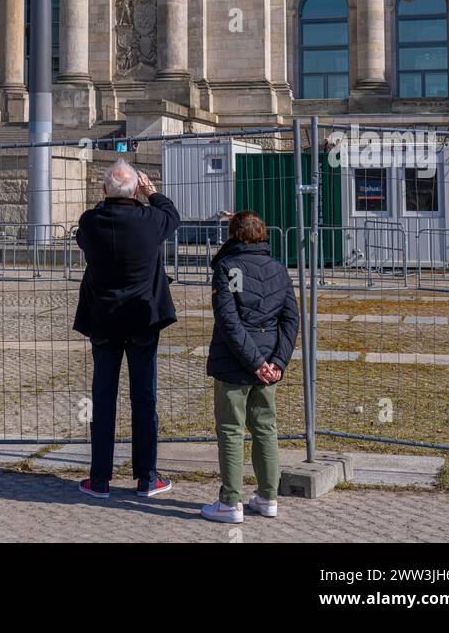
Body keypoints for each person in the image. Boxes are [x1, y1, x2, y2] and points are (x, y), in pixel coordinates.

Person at [73, 160, 180, 500]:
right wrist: (151, 192)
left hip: (104, 322)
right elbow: (172, 215)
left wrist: (112, 194)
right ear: (136, 190)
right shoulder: (151, 221)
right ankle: (146, 477)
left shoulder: (90, 223)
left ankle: (100, 479)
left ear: (104, 190)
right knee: (144, 398)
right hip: (142, 321)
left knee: (103, 400)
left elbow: (85, 235)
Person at [200, 209, 299, 524]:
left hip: (236, 364)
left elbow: (229, 321)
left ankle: (230, 502)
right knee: (265, 428)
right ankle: (268, 496)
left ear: (233, 235)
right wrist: (277, 362)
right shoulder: (279, 269)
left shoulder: (228, 268)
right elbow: (291, 319)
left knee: (230, 430)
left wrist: (256, 362)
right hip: (268, 362)